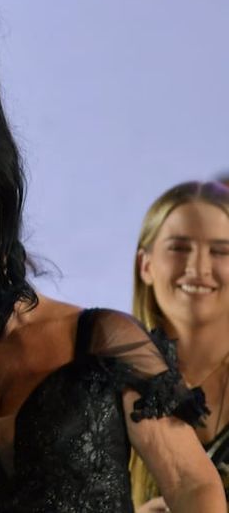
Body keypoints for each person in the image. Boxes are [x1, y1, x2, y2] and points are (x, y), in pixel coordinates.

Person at [131, 181, 229, 511]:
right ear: (145, 265)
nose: (198, 268)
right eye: (179, 247)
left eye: (221, 251)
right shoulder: (107, 382)